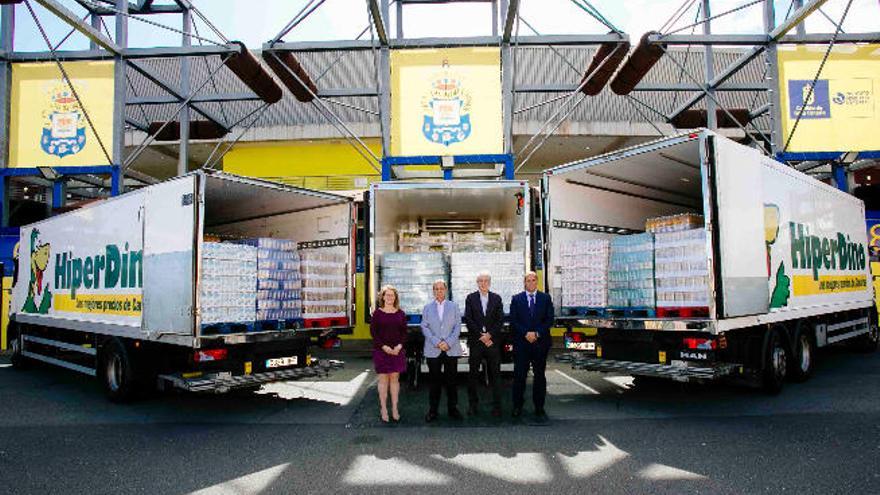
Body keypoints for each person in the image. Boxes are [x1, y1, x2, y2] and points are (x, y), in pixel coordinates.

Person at [509, 271, 554, 421]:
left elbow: (549, 319)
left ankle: (539, 407)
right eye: (528, 280)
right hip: (522, 344)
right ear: (524, 283)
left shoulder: (545, 298)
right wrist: (526, 334)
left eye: (533, 280)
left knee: (539, 376)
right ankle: (517, 406)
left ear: (537, 282)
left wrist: (537, 334)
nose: (531, 283)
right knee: (519, 376)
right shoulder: (517, 299)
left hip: (540, 343)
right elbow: (513, 321)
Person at [420, 279, 463, 422]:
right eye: (436, 289)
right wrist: (437, 342)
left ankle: (453, 409)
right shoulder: (427, 307)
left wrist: (448, 342)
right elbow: (424, 327)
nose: (439, 291)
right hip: (434, 349)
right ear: (433, 291)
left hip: (451, 349)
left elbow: (458, 326)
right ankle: (433, 411)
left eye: (441, 288)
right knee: (434, 383)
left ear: (446, 290)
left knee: (452, 382)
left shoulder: (454, 306)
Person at [463, 271, 504, 417]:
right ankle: (473, 406)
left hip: (492, 342)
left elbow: (500, 320)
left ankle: (497, 407)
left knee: (495, 375)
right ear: (477, 283)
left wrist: (489, 335)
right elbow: (468, 318)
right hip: (477, 342)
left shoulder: (496, 298)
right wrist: (481, 335)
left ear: (490, 282)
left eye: (486, 280)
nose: (483, 283)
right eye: (480, 281)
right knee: (473, 376)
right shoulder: (470, 298)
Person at [370, 285, 408, 424]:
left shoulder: (401, 313)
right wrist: (384, 347)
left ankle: (395, 409)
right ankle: (384, 409)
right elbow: (374, 333)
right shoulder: (377, 314)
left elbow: (404, 333)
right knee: (383, 380)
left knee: (394, 380)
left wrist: (399, 346)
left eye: (392, 295)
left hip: (397, 351)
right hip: (381, 351)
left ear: (395, 297)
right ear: (383, 297)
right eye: (387, 295)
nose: (390, 297)